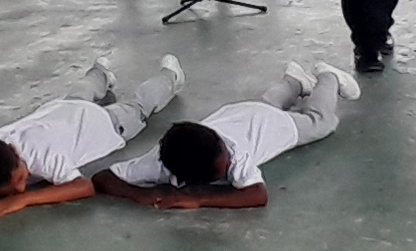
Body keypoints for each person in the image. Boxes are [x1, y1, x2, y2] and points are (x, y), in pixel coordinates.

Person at [0, 55, 184, 220]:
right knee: (83, 89)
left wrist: (23, 200)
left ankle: (171, 77)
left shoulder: (42, 154)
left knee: (139, 106)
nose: (22, 188)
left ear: (16, 153)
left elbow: (84, 187)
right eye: (15, 189)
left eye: (21, 179)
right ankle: (101, 72)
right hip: (62, 110)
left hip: (106, 125)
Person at [94, 60, 360, 210]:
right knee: (267, 103)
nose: (230, 162)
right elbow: (102, 178)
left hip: (274, 126)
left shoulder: (234, 154)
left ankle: (328, 76)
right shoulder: (158, 161)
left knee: (320, 121)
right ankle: (294, 81)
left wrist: (197, 199)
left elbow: (257, 195)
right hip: (240, 113)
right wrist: (138, 194)